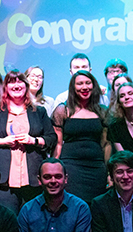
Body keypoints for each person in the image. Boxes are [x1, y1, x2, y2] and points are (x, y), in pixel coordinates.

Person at [0, 70, 56, 213]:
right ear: (5, 87)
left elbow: (51, 138)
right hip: (3, 179)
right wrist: (3, 141)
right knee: (7, 221)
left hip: (32, 178)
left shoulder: (38, 111)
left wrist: (34, 140)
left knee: (33, 220)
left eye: (20, 81)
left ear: (26, 85)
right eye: (12, 82)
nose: (16, 85)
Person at [52, 70, 110, 204]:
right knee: (73, 206)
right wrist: (54, 168)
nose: (84, 87)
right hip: (71, 168)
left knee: (96, 207)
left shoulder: (102, 111)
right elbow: (58, 144)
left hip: (96, 168)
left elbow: (106, 144)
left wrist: (108, 172)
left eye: (88, 83)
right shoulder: (63, 110)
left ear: (93, 86)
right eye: (80, 84)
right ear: (73, 87)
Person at [18, 158, 91, 232]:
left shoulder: (80, 208)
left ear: (65, 179)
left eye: (58, 176)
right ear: (39, 180)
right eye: (47, 177)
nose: (53, 181)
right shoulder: (27, 210)